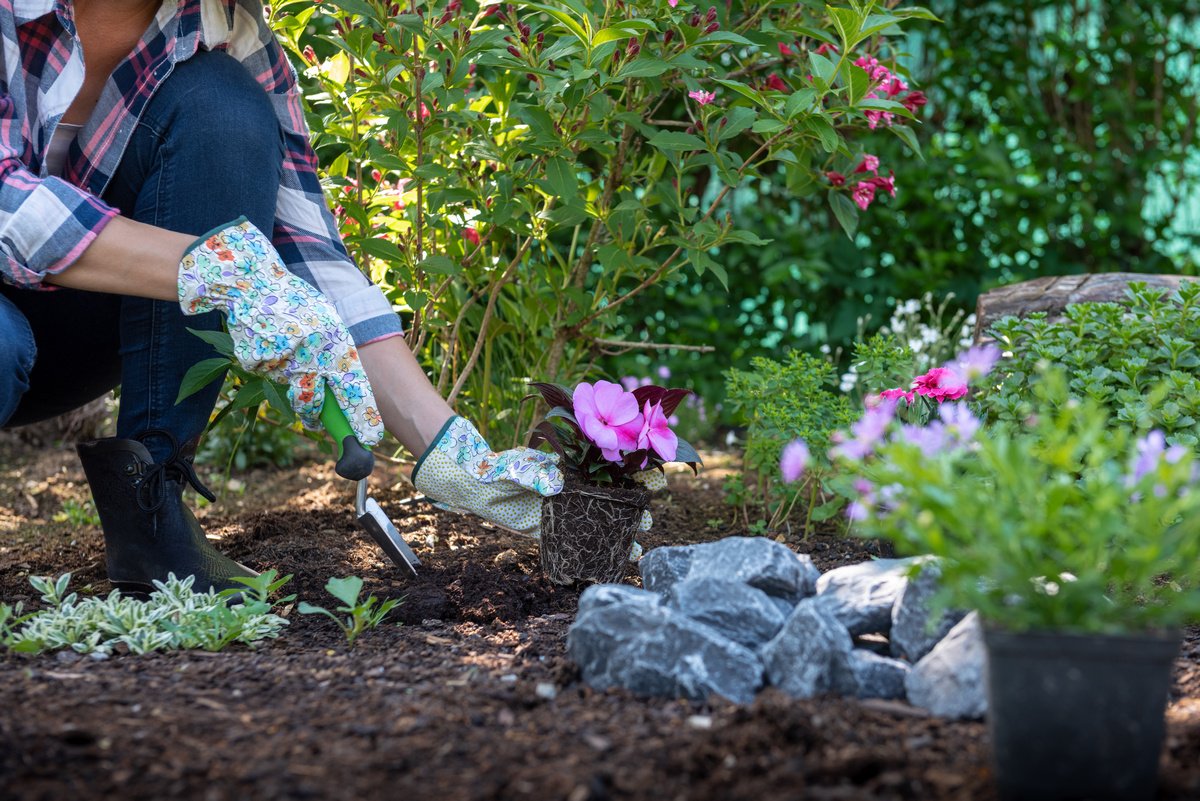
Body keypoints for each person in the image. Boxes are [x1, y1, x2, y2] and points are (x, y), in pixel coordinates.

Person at [0, 0, 574, 596]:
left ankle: (152, 507)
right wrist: (219, 269)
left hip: (77, 332)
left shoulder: (224, 27)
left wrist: (453, 456)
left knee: (224, 103)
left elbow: (306, 249)